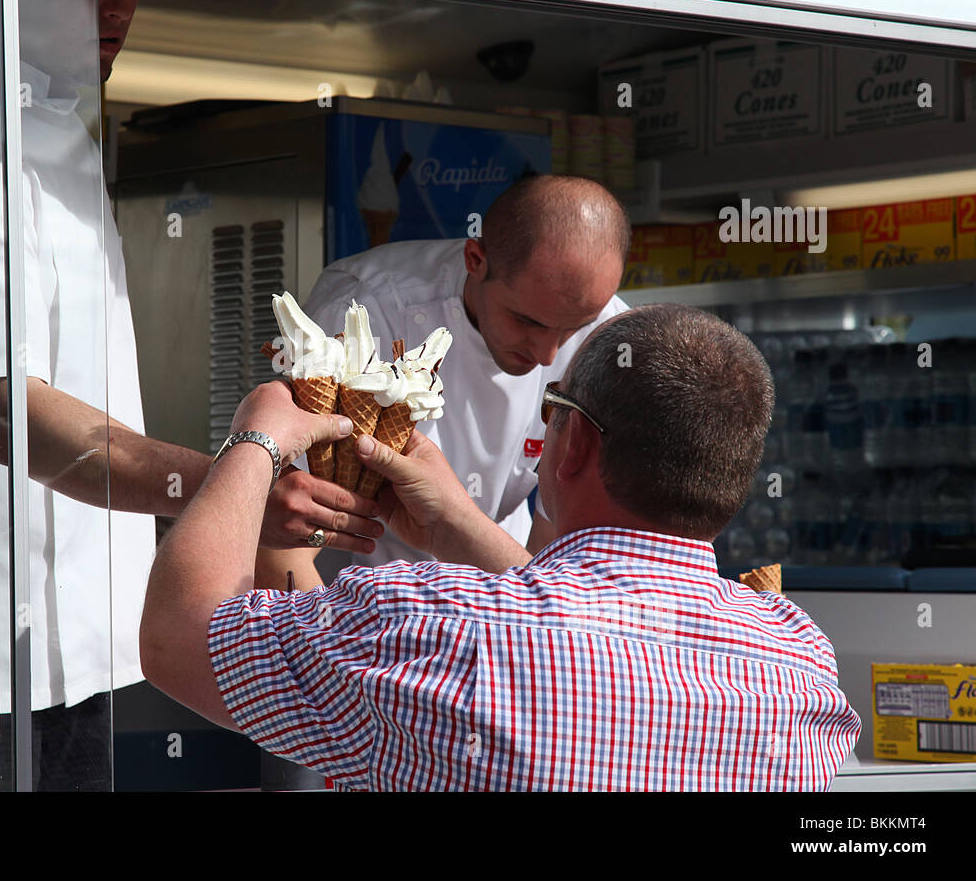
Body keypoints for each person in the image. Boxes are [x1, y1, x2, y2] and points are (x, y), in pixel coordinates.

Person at [0, 0, 379, 790]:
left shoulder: (65, 135)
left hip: (90, 642)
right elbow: (5, 412)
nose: (118, 4)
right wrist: (231, 488)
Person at [140, 303, 862, 791]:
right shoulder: (798, 661)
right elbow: (597, 640)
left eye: (554, 410)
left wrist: (256, 439)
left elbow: (180, 636)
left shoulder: (431, 625)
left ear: (571, 441)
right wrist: (462, 527)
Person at [261, 175, 628, 590]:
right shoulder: (366, 309)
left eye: (573, 329)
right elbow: (286, 534)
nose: (547, 355)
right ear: (476, 258)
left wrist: (531, 616)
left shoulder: (611, 332)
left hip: (503, 580)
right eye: (527, 321)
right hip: (351, 593)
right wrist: (333, 645)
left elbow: (560, 532)